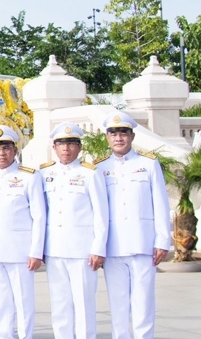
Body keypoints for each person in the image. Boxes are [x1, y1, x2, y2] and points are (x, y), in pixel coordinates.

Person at [99, 112, 171, 339]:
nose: (118, 138)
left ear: (132, 136)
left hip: (143, 243)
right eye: (113, 133)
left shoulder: (148, 163)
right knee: (118, 305)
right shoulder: (99, 168)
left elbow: (160, 202)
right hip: (113, 246)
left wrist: (162, 240)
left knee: (143, 303)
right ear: (107, 138)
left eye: (123, 133)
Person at [40, 122, 108, 339]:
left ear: (79, 147)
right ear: (54, 147)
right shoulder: (44, 173)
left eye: (71, 144)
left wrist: (98, 247)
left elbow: (101, 213)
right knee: (60, 304)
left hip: (82, 250)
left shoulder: (90, 174)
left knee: (84, 303)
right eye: (61, 144)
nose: (66, 149)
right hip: (55, 248)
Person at [0, 124, 45, 339]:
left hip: (20, 252)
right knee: (0, 303)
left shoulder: (29, 176)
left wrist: (36, 251)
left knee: (23, 301)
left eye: (6, 148)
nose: (1, 153)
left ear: (15, 150)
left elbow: (39, 216)